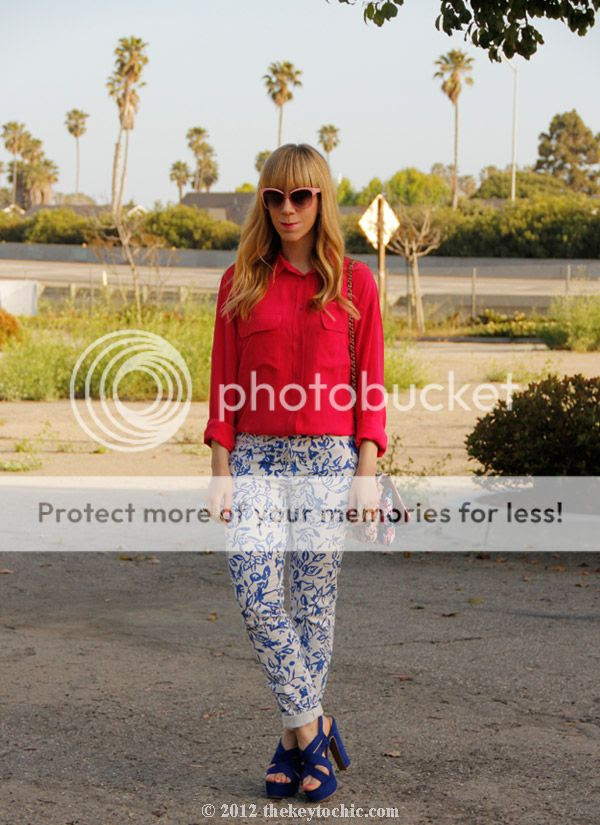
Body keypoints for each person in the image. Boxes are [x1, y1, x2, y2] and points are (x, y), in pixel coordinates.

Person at [203, 143, 387, 802]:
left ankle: (293, 743)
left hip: (329, 460)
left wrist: (367, 469)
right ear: (264, 202)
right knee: (256, 595)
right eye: (274, 196)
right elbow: (223, 382)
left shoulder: (355, 283)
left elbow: (371, 383)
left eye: (301, 196)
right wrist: (219, 465)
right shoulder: (240, 281)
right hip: (253, 456)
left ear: (320, 199)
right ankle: (315, 729)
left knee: (312, 606)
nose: (287, 208)